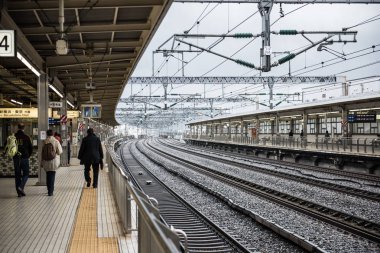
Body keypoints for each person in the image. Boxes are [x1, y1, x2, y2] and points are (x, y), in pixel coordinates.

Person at [41, 129, 63, 196]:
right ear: (53, 134)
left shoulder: (44, 141)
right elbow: (60, 151)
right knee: (52, 175)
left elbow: (42, 153)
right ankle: (51, 191)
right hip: (54, 161)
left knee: (48, 175)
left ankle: (48, 189)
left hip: (46, 161)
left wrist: (41, 162)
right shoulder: (56, 141)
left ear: (47, 134)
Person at [13, 123, 33, 197]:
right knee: (26, 174)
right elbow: (31, 148)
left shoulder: (13, 137)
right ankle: (21, 187)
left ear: (17, 128)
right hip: (24, 158)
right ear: (23, 128)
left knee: (17, 175)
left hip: (16, 158)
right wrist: (28, 156)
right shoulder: (26, 137)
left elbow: (6, 145)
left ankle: (19, 193)